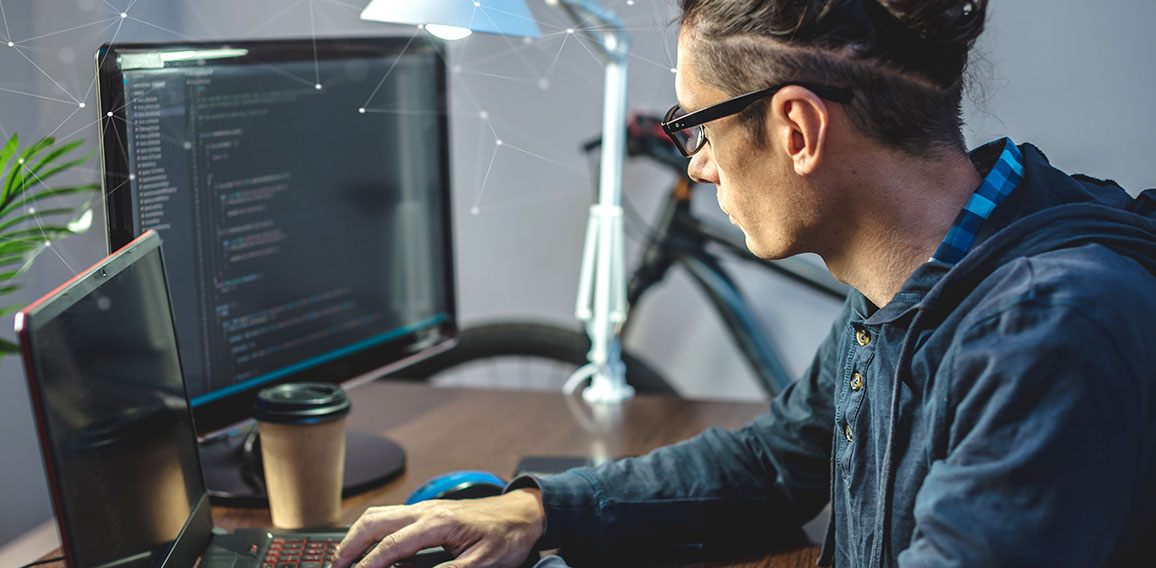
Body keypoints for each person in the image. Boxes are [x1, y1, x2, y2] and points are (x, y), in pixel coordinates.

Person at [332, 0, 1156, 566]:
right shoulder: (920, 272)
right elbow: (774, 466)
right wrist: (538, 510)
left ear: (795, 128)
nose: (695, 163)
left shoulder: (1044, 329)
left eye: (696, 124)